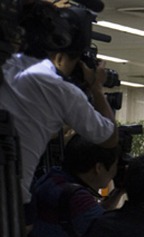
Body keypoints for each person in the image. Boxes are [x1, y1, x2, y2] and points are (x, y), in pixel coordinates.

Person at [1, 2, 118, 204]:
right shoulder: (59, 90)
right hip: (9, 203)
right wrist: (96, 88)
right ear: (60, 53)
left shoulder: (7, 68)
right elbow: (109, 137)